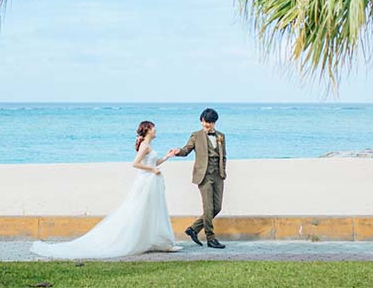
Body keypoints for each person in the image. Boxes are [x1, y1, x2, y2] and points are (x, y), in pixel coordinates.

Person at [30, 121, 182, 259]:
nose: (156, 131)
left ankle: (158, 241)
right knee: (138, 210)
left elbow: (154, 163)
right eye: (154, 128)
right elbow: (135, 163)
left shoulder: (148, 146)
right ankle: (142, 240)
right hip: (145, 182)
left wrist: (167, 156)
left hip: (151, 181)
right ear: (148, 130)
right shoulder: (145, 146)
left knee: (152, 210)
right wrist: (152, 170)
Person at [172, 108, 227, 249]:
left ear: (214, 122)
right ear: (201, 121)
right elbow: (186, 150)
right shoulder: (196, 135)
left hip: (218, 175)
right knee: (208, 207)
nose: (207, 124)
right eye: (204, 121)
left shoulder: (221, 136)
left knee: (217, 207)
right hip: (204, 175)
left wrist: (223, 171)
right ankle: (211, 238)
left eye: (210, 122)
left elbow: (223, 156)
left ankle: (193, 229)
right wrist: (178, 152)